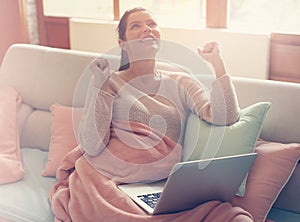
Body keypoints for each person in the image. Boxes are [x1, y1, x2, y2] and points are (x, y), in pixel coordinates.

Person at [50, 7, 253, 222]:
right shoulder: (107, 80)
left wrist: (217, 64)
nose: (147, 29)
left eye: (152, 24)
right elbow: (91, 144)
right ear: (123, 43)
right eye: (136, 26)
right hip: (105, 179)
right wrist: (100, 86)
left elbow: (226, 117)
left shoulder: (180, 81)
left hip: (156, 186)